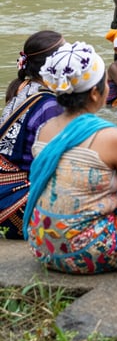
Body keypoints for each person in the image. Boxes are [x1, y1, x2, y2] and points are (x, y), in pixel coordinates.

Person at [23, 41, 117, 274]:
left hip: (42, 246)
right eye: (106, 84)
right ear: (94, 93)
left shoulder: (46, 128)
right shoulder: (110, 137)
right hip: (87, 252)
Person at [0, 31, 65, 239]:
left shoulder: (22, 87)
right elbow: (54, 168)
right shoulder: (49, 105)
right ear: (52, 65)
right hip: (16, 207)